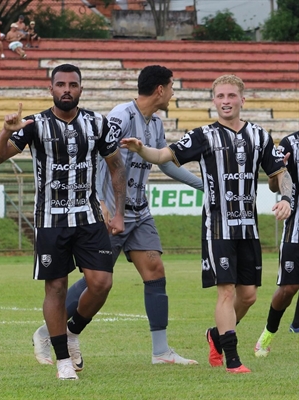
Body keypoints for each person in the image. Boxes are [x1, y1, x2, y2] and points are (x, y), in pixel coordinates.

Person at [32, 65, 204, 368]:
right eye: (172, 87)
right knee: (96, 280)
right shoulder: (121, 116)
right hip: (110, 213)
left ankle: (160, 351)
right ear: (161, 89)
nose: (174, 94)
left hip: (139, 212)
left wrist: (205, 185)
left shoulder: (156, 123)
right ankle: (49, 332)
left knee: (155, 271)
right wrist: (100, 201)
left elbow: (166, 163)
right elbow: (100, 155)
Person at [120, 74, 293, 374]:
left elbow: (279, 175)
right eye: (220, 96)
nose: (226, 101)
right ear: (213, 101)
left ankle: (216, 335)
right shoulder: (203, 135)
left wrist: (287, 198)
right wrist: (141, 149)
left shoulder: (260, 136)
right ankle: (233, 359)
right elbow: (164, 155)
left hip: (248, 226)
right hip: (218, 226)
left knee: (248, 296)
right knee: (226, 292)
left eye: (231, 96)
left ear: (242, 99)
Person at [0, 63, 127, 380]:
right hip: (50, 219)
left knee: (102, 283)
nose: (67, 89)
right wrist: (7, 130)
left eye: (72, 84)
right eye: (60, 84)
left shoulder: (97, 123)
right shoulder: (35, 124)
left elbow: (117, 166)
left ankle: (73, 330)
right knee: (57, 286)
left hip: (89, 216)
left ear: (81, 88)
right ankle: (63, 360)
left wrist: (119, 211)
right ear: (50, 89)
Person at [254, 130, 299, 356]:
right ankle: (267, 334)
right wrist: (275, 172)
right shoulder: (290, 143)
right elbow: (274, 186)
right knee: (289, 288)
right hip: (296, 229)